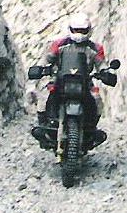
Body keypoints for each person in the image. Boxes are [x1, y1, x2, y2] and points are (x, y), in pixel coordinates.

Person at [31, 12, 107, 150]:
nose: (79, 33)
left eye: (82, 30)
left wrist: (106, 73)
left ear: (89, 30)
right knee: (44, 97)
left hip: (85, 81)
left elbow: (101, 64)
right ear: (70, 29)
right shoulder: (59, 44)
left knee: (97, 99)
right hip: (60, 80)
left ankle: (91, 129)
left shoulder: (95, 48)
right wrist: (39, 68)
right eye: (76, 30)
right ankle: (43, 127)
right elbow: (47, 59)